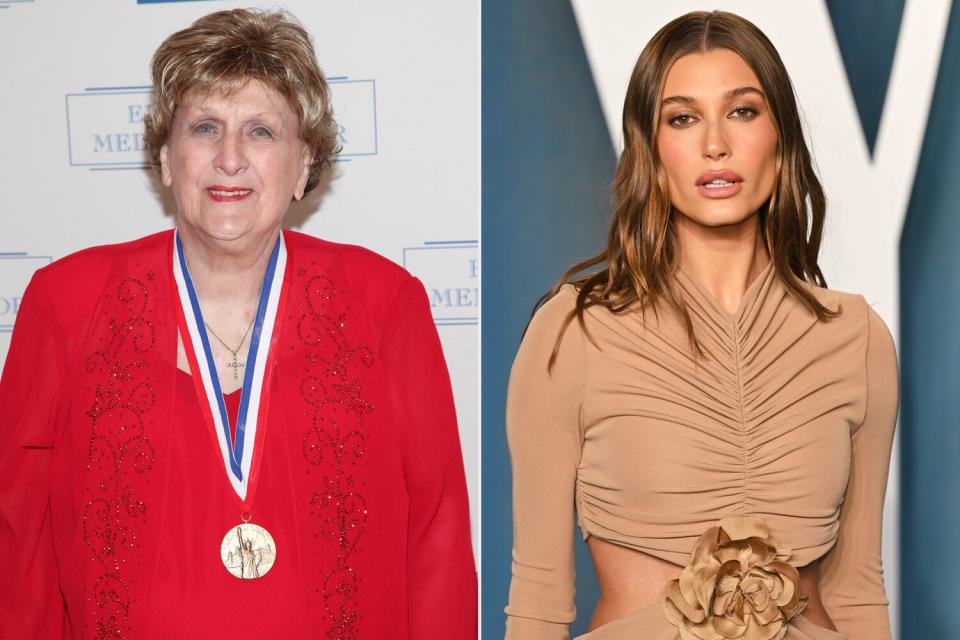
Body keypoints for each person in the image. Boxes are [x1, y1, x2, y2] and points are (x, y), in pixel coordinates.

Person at [0, 8, 476, 638]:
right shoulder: (67, 303)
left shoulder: (385, 304)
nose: (230, 159)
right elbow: (17, 542)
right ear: (167, 158)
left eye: (260, 132)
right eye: (204, 127)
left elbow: (437, 532)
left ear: (303, 163)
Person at [504, 11, 897, 640]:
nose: (716, 143)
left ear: (781, 136)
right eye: (682, 118)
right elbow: (539, 599)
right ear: (651, 147)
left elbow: (857, 591)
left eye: (743, 111)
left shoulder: (858, 338)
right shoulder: (574, 332)